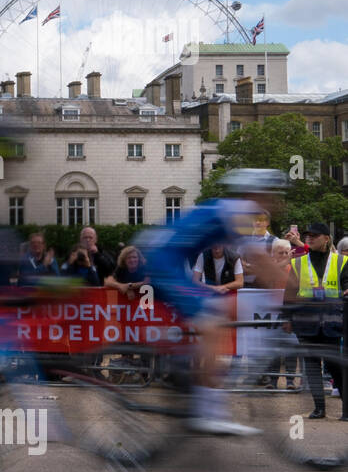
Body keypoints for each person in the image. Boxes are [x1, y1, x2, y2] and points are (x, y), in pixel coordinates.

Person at [136, 168, 289, 434]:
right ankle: (208, 411)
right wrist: (295, 290)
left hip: (166, 258)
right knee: (214, 323)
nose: (271, 202)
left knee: (223, 313)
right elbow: (260, 258)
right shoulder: (238, 210)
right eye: (268, 196)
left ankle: (186, 376)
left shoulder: (233, 210)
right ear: (254, 193)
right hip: (163, 263)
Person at [285, 221, 347, 419]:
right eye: (307, 236)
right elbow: (289, 294)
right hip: (306, 323)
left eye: (314, 235)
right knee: (311, 366)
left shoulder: (341, 262)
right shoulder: (297, 262)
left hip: (332, 321)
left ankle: (347, 410)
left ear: (326, 238)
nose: (309, 238)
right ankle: (319, 408)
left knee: (334, 366)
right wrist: (287, 318)